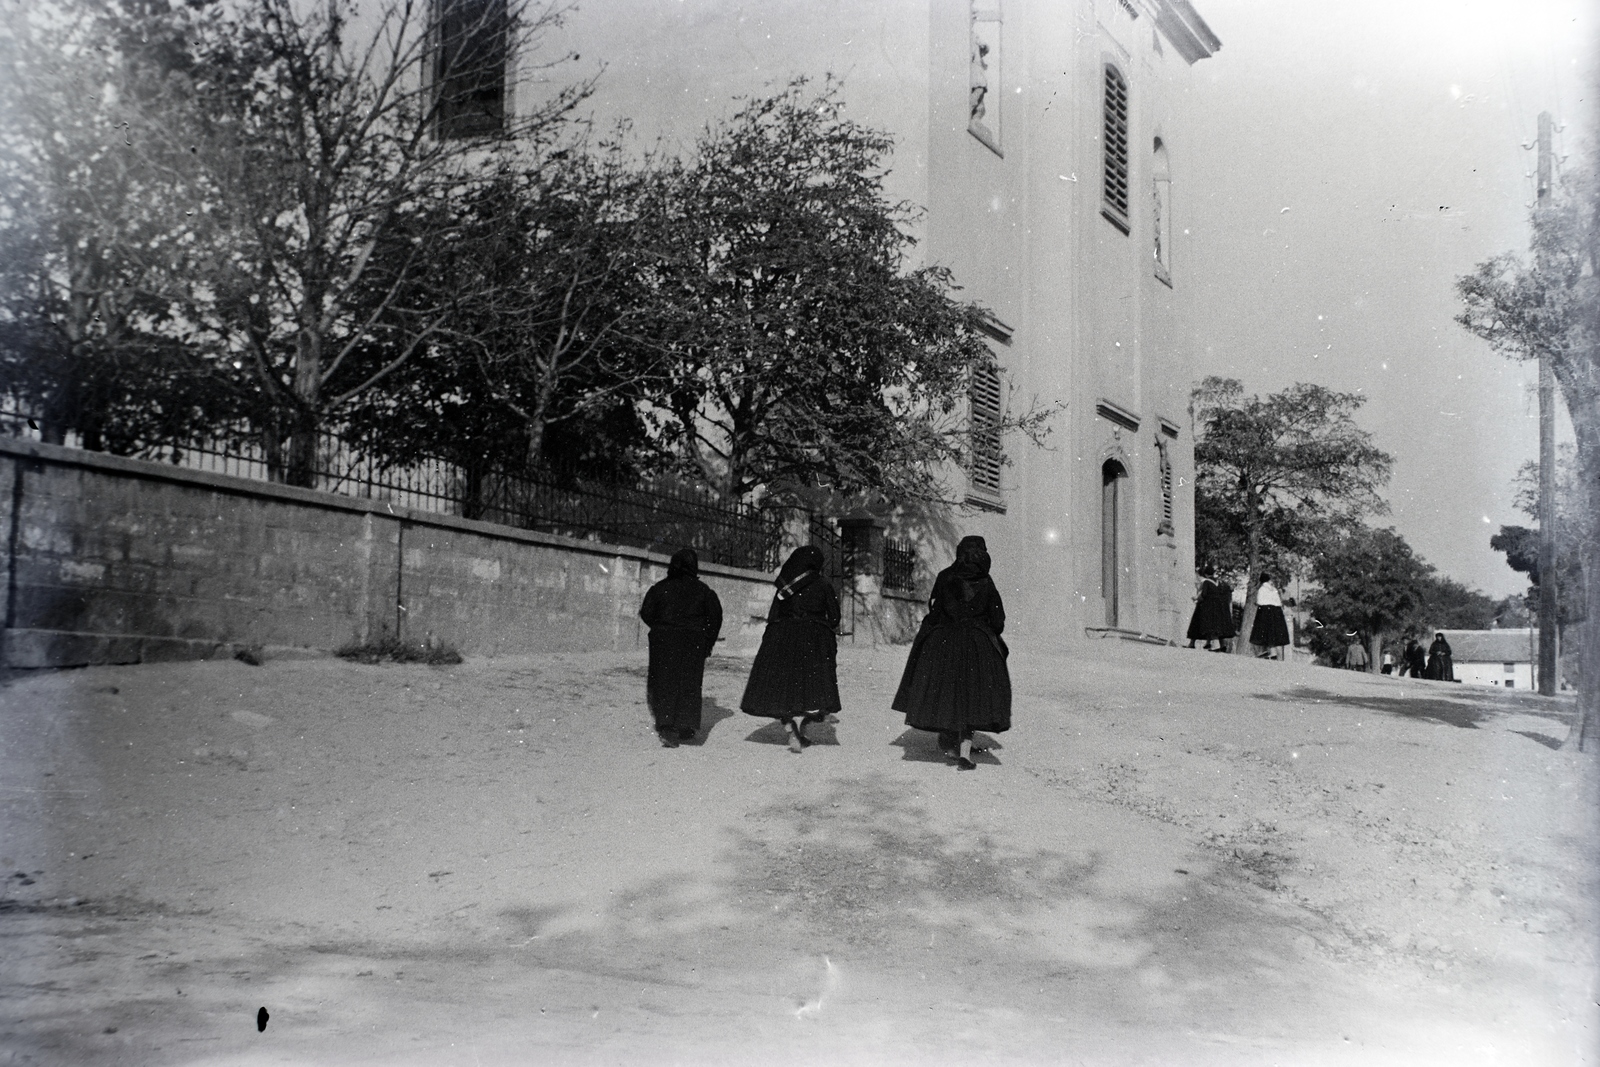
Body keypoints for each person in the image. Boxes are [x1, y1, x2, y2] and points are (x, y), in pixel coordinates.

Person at [892, 535, 1011, 771]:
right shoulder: (986, 582)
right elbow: (998, 621)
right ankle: (964, 752)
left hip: (944, 641)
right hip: (977, 644)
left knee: (948, 689)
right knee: (973, 694)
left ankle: (948, 740)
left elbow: (935, 612)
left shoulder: (945, 577)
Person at [740, 546, 842, 753]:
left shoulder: (784, 587)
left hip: (783, 636)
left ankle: (789, 723)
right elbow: (834, 617)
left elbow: (773, 616)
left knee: (783, 684)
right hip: (813, 638)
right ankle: (803, 722)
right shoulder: (823, 585)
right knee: (812, 685)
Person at [639, 548, 723, 748]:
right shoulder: (704, 591)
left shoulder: (660, 588)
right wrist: (707, 640)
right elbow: (715, 617)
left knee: (664, 681)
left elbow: (646, 612)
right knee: (690, 682)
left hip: (664, 642)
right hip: (693, 642)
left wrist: (661, 628)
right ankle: (686, 726)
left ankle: (667, 728)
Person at [1186, 572, 1236, 651]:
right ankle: (1216, 644)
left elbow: (1204, 594)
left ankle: (1193, 643)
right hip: (1217, 607)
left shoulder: (1206, 582)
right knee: (1215, 626)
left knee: (1197, 623)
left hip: (1205, 606)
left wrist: (1197, 599)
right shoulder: (1218, 583)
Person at [1249, 575, 1291, 659]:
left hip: (1265, 611)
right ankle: (1273, 653)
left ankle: (1266, 652)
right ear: (1268, 581)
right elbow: (1277, 602)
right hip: (1276, 612)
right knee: (1273, 633)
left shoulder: (1261, 589)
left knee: (1264, 632)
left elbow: (1259, 601)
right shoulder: (1274, 590)